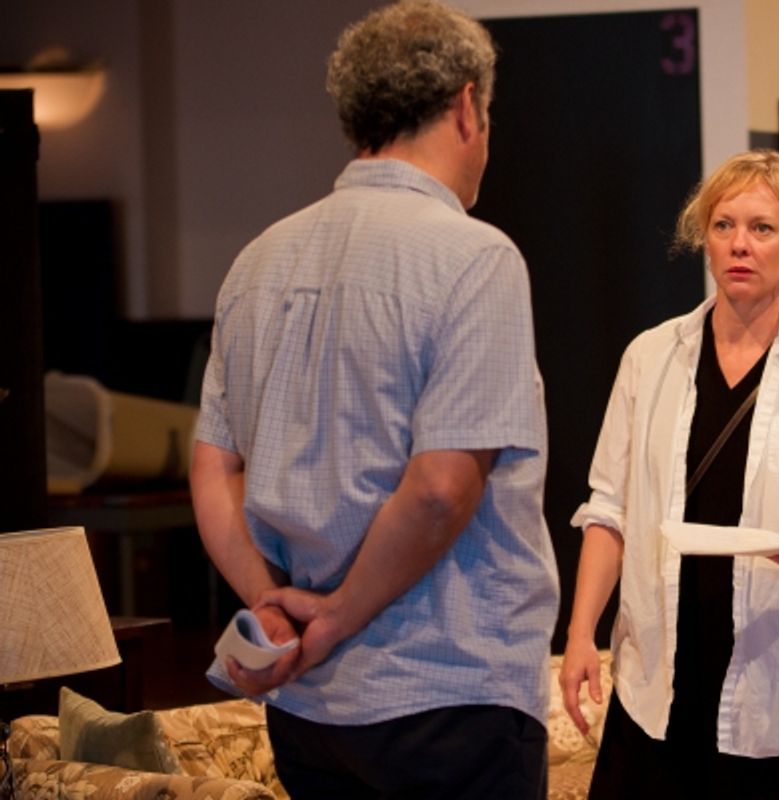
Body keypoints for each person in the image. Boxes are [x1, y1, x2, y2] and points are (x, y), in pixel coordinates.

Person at [189, 2, 559, 797]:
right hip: (445, 694)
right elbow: (440, 490)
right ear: (467, 106)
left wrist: (273, 607)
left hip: (307, 706)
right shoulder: (475, 256)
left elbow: (213, 470)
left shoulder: (259, 259)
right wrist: (336, 618)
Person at [559, 149, 779, 799]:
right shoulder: (649, 358)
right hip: (656, 685)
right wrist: (580, 635)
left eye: (762, 227)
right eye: (724, 225)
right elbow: (608, 511)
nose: (739, 244)